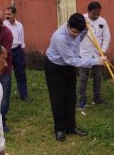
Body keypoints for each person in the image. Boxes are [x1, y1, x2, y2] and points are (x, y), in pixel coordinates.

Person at [45, 13, 106, 142]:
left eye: (79, 32)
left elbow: (82, 32)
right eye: (73, 32)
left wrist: (84, 29)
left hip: (68, 67)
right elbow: (71, 60)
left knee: (71, 97)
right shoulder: (60, 37)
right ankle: (60, 129)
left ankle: (71, 127)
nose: (76, 34)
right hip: (55, 67)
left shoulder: (80, 30)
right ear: (68, 25)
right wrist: (95, 61)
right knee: (58, 98)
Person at [78, 2, 111, 108]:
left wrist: (104, 50)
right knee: (83, 77)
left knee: (98, 76)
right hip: (83, 54)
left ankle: (97, 98)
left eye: (98, 14)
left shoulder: (103, 21)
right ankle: (82, 100)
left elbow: (106, 37)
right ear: (89, 11)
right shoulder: (81, 19)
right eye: (94, 14)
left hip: (98, 55)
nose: (96, 16)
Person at [4, 6, 29, 101]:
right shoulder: (3, 26)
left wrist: (22, 51)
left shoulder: (20, 25)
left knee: (21, 73)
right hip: (7, 52)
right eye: (5, 14)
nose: (6, 16)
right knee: (6, 74)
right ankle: (5, 95)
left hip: (18, 51)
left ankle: (23, 94)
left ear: (14, 14)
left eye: (9, 14)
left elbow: (22, 40)